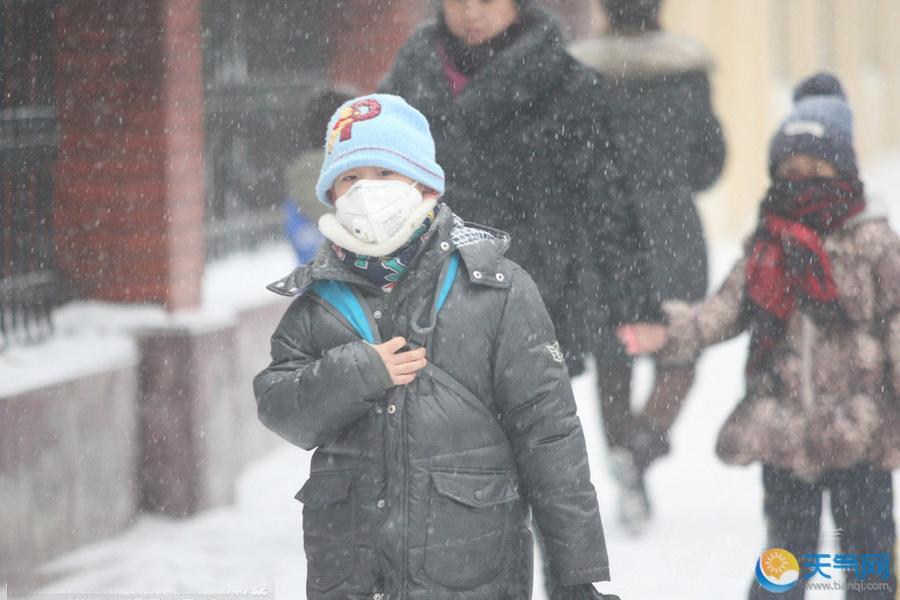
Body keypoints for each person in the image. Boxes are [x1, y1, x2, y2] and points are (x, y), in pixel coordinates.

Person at [254, 94, 620, 600]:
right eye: (349, 179)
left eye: (384, 174)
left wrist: (575, 574)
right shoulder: (319, 299)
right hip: (351, 578)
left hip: (473, 576)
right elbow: (280, 407)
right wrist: (360, 372)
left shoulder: (496, 288)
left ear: (422, 182)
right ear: (332, 194)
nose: (366, 191)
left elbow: (549, 437)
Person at [621, 73, 900, 599]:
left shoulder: (874, 242)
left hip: (858, 429)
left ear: (843, 169)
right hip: (784, 429)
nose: (803, 178)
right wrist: (670, 332)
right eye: (792, 167)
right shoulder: (768, 243)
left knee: (866, 556)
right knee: (785, 557)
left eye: (817, 167)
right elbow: (726, 309)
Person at [380, 0, 661, 377]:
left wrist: (636, 305)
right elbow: (369, 183)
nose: (471, 13)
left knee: (524, 426)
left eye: (486, 1)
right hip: (425, 301)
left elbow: (607, 200)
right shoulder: (410, 77)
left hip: (534, 297)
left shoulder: (565, 83)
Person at [568, 0, 726, 534]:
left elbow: (567, 159)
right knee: (677, 350)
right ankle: (642, 449)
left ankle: (627, 463)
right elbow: (708, 165)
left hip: (601, 232)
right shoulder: (686, 72)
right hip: (671, 231)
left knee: (615, 353)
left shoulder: (577, 73)